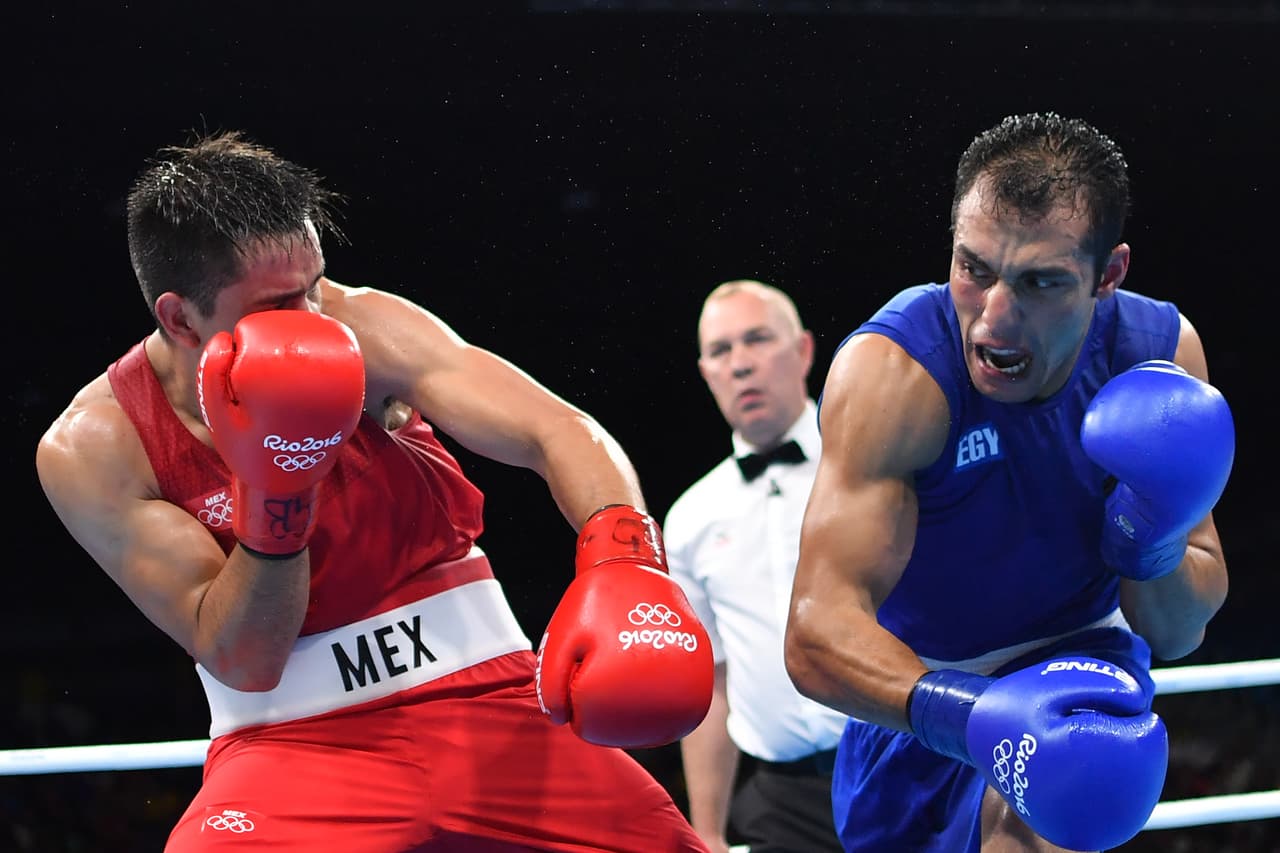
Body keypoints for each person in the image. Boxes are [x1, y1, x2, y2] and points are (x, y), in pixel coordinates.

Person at [35, 130, 715, 852]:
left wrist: (623, 558)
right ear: (179, 318)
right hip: (291, 746)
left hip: (491, 697)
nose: (315, 318)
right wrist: (277, 485)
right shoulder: (97, 448)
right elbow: (243, 656)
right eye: (279, 302)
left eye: (315, 284)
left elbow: (556, 428)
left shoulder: (362, 324)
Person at [782, 112, 1235, 853]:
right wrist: (975, 715)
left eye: (1040, 282)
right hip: (913, 690)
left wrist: (1146, 534)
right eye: (975, 269)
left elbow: (1178, 629)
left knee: (1055, 802)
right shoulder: (896, 375)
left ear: (1108, 275)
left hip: (1080, 664)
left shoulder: (1155, 357)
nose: (994, 318)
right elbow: (815, 637)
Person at [664, 280, 849, 853]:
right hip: (779, 801)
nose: (740, 364)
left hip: (900, 766)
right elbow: (711, 684)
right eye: (721, 351)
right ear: (705, 372)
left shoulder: (867, 467)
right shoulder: (691, 517)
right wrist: (708, 832)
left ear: (803, 352)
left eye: (757, 340)